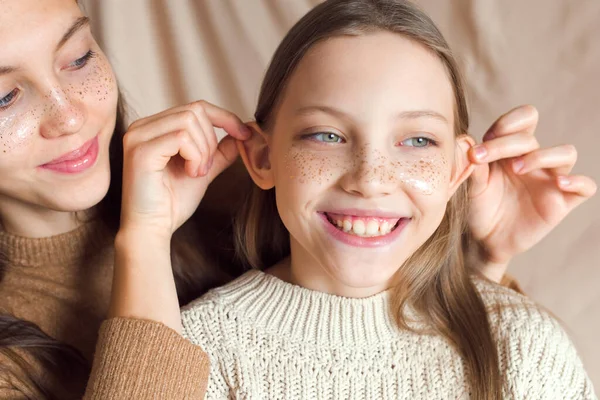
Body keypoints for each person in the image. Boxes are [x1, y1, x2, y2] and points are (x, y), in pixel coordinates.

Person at [0, 0, 595, 398]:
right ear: (265, 155)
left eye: (78, 58)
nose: (69, 115)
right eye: (4, 97)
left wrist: (478, 261)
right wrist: (146, 236)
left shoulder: (215, 184)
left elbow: (399, 330)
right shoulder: (206, 341)